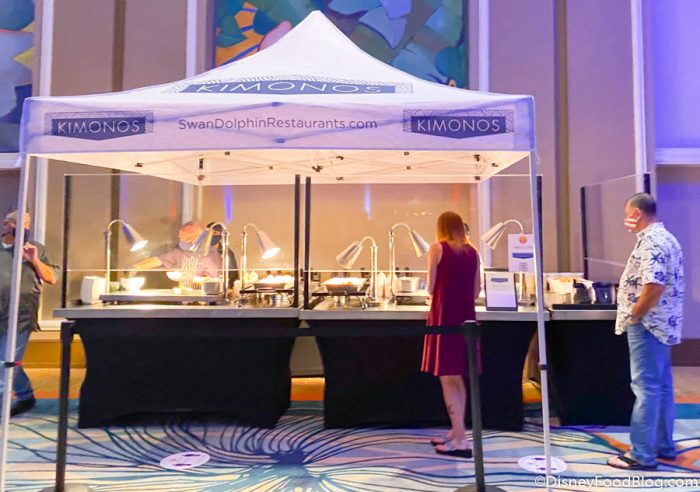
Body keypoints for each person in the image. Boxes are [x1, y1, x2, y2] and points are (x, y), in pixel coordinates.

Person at [607, 193, 684, 471]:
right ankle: (663, 445)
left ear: (637, 213)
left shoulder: (651, 241)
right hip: (664, 323)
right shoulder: (668, 238)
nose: (625, 219)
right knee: (661, 386)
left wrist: (635, 314)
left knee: (646, 388)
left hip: (648, 325)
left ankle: (641, 454)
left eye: (627, 213)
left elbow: (654, 285)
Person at [421, 211, 480, 458]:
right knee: (458, 378)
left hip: (444, 317)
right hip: (465, 319)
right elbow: (476, 291)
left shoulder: (437, 249)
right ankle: (457, 432)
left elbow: (430, 287)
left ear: (441, 228)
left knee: (447, 378)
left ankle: (461, 441)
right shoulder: (473, 252)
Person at [0, 210, 57, 417]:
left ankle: (3, 405)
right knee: (8, 360)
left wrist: (34, 260)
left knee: (5, 360)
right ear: (6, 224)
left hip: (21, 314)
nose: (23, 228)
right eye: (18, 223)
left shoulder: (35, 249)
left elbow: (52, 278)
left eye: (27, 224)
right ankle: (25, 396)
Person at [134, 220, 222, 278]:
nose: (182, 241)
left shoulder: (212, 255)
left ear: (198, 238)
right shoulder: (179, 252)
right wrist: (134, 268)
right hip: (184, 294)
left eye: (187, 239)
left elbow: (214, 281)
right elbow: (158, 260)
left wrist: (199, 280)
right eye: (181, 238)